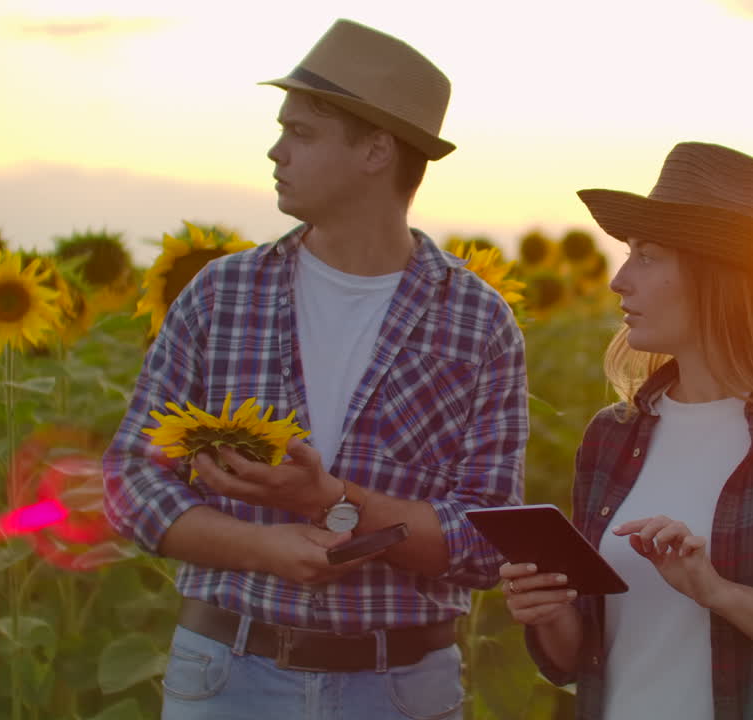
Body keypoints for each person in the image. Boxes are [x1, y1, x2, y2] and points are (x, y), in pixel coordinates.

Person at [102, 19, 527, 719]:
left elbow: (485, 541)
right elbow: (129, 480)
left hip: (398, 688)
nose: (275, 151)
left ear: (376, 151)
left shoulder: (477, 322)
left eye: (301, 132)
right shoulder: (220, 293)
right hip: (228, 675)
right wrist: (259, 547)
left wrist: (323, 499)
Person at [500, 142, 753, 719]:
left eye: (647, 256)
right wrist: (551, 613)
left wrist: (718, 593)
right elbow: (581, 661)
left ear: (716, 274)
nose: (620, 279)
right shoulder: (611, 438)